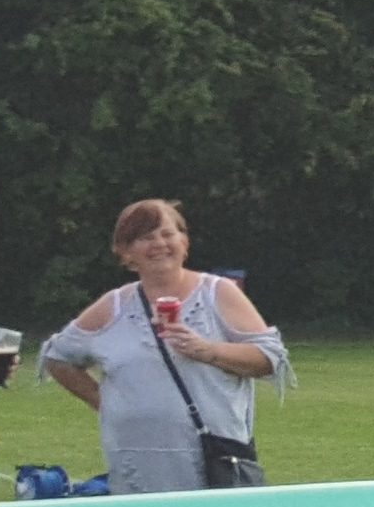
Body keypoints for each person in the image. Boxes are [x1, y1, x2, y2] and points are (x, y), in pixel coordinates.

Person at [39, 200, 289, 492]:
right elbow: (58, 357)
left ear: (184, 241)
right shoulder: (113, 306)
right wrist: (105, 402)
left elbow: (268, 358)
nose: (159, 243)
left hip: (212, 457)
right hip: (137, 461)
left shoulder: (218, 292)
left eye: (167, 234)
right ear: (126, 252)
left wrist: (207, 351)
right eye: (145, 237)